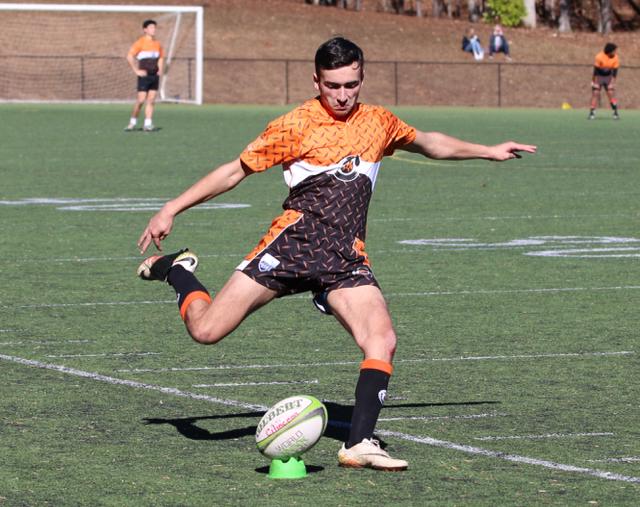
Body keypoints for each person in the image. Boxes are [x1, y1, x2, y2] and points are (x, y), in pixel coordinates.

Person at [136, 36, 536, 471]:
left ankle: (359, 442)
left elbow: (430, 142)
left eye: (352, 84)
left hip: (344, 258)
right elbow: (235, 171)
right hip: (291, 247)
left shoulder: (378, 122)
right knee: (206, 331)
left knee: (382, 339)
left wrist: (487, 151)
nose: (343, 95)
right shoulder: (295, 125)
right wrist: (172, 207)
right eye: (333, 86)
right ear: (316, 80)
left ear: (362, 77)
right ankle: (176, 270)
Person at [125, 19, 164, 132]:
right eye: (151, 27)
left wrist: (160, 69)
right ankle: (132, 122)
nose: (153, 29)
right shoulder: (140, 42)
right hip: (144, 75)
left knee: (151, 100)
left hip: (154, 76)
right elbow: (129, 56)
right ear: (145, 30)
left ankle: (148, 124)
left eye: (154, 27)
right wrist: (136, 70)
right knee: (141, 100)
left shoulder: (157, 44)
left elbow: (161, 57)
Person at [589, 42, 620, 120]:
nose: (615, 52)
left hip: (608, 77)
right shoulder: (599, 56)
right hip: (599, 76)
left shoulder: (615, 57)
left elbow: (615, 72)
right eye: (614, 51)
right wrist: (595, 82)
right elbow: (595, 71)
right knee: (595, 93)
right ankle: (592, 112)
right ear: (610, 51)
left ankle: (615, 112)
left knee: (610, 93)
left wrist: (612, 83)